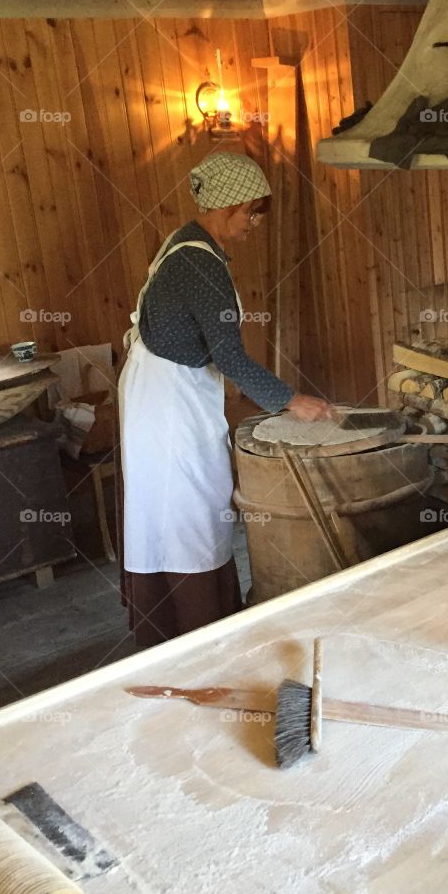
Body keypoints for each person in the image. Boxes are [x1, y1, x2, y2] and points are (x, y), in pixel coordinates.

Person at [118, 152, 333, 648]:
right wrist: (290, 400)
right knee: (187, 506)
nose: (256, 223)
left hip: (163, 389)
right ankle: (193, 629)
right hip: (168, 401)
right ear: (224, 205)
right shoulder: (199, 264)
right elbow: (229, 356)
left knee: (175, 504)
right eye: (252, 212)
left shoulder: (188, 244)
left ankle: (177, 624)